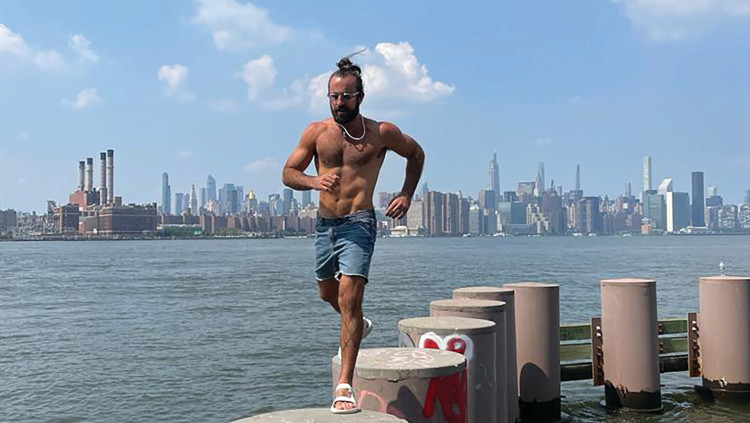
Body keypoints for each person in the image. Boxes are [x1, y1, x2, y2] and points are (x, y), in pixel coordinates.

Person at [282, 56, 425, 414]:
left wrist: (407, 193)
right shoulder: (316, 133)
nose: (339, 102)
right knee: (327, 293)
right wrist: (314, 181)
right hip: (325, 225)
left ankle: (344, 385)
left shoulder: (381, 133)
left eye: (346, 96)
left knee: (349, 298)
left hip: (359, 223)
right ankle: (359, 323)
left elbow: (416, 153)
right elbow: (288, 173)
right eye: (334, 96)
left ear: (360, 97)